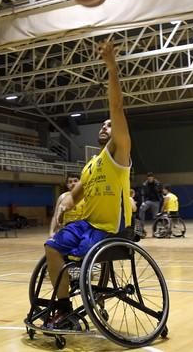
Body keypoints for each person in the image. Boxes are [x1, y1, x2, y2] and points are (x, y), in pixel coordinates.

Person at [43, 40, 132, 328]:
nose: (106, 127)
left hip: (111, 230)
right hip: (89, 226)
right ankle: (65, 310)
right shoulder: (90, 165)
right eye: (103, 125)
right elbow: (73, 197)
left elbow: (116, 106)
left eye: (110, 124)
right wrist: (63, 206)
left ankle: (84, 291)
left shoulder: (119, 154)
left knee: (78, 257)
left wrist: (111, 67)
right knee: (52, 246)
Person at [48, 173, 80, 238]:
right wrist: (51, 232)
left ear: (80, 183)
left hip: (80, 228)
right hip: (66, 228)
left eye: (75, 181)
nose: (73, 183)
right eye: (70, 182)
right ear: (67, 185)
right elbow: (55, 216)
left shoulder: (85, 197)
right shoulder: (62, 197)